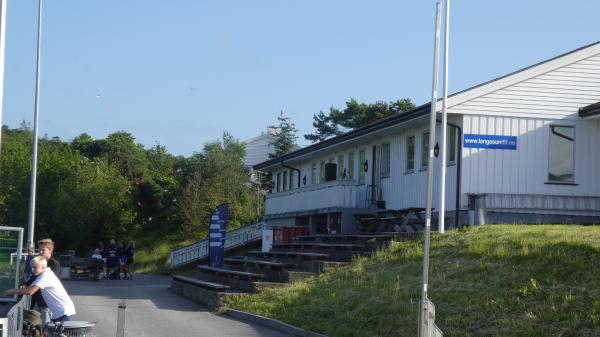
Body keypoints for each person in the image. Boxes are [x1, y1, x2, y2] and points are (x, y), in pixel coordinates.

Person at [5, 256, 76, 336]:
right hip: (59, 312)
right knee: (46, 331)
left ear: (43, 267)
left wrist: (12, 291)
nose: (32, 270)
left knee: (54, 333)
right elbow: (30, 287)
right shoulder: (44, 274)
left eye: (35, 267)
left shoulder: (45, 276)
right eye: (31, 267)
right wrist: (22, 287)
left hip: (63, 312)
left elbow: (30, 291)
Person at [24, 238, 61, 327]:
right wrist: (24, 284)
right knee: (36, 327)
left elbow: (43, 280)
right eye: (39, 249)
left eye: (43, 250)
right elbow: (33, 277)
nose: (40, 252)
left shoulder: (54, 264)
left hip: (46, 302)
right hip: (37, 300)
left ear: (50, 251)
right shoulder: (39, 262)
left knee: (46, 328)